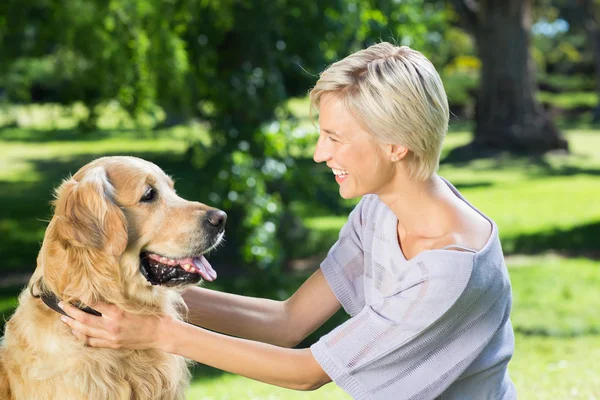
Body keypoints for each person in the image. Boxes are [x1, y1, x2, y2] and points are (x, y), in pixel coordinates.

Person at [60, 42, 516, 399]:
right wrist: (131, 299)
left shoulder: (450, 269)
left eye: (335, 137)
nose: (320, 154)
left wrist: (158, 329)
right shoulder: (381, 210)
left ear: (396, 144)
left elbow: (307, 373)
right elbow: (287, 321)